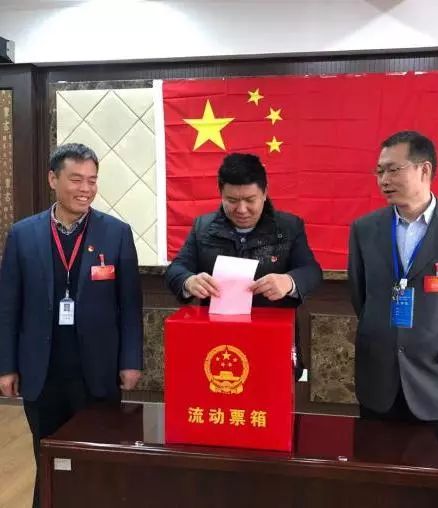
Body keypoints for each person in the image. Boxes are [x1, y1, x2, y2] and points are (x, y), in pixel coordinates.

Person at [0, 143, 143, 508]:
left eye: (92, 180)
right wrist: (6, 366)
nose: (85, 189)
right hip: (41, 369)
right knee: (48, 457)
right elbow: (8, 307)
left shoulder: (116, 233)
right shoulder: (23, 234)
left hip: (97, 370)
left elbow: (130, 305)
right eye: (76, 179)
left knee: (96, 459)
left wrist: (131, 361)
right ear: (53, 179)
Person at [348, 130, 438, 508]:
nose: (384, 180)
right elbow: (361, 296)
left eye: (393, 169)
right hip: (380, 377)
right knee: (379, 480)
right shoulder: (365, 229)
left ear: (425, 170)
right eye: (379, 171)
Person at [166, 153, 322, 378]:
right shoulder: (203, 228)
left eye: (250, 200)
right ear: (220, 193)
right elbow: (176, 269)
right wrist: (188, 281)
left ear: (265, 193)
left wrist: (289, 282)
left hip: (272, 341)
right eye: (231, 200)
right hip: (217, 345)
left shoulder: (288, 227)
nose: (241, 209)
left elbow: (311, 270)